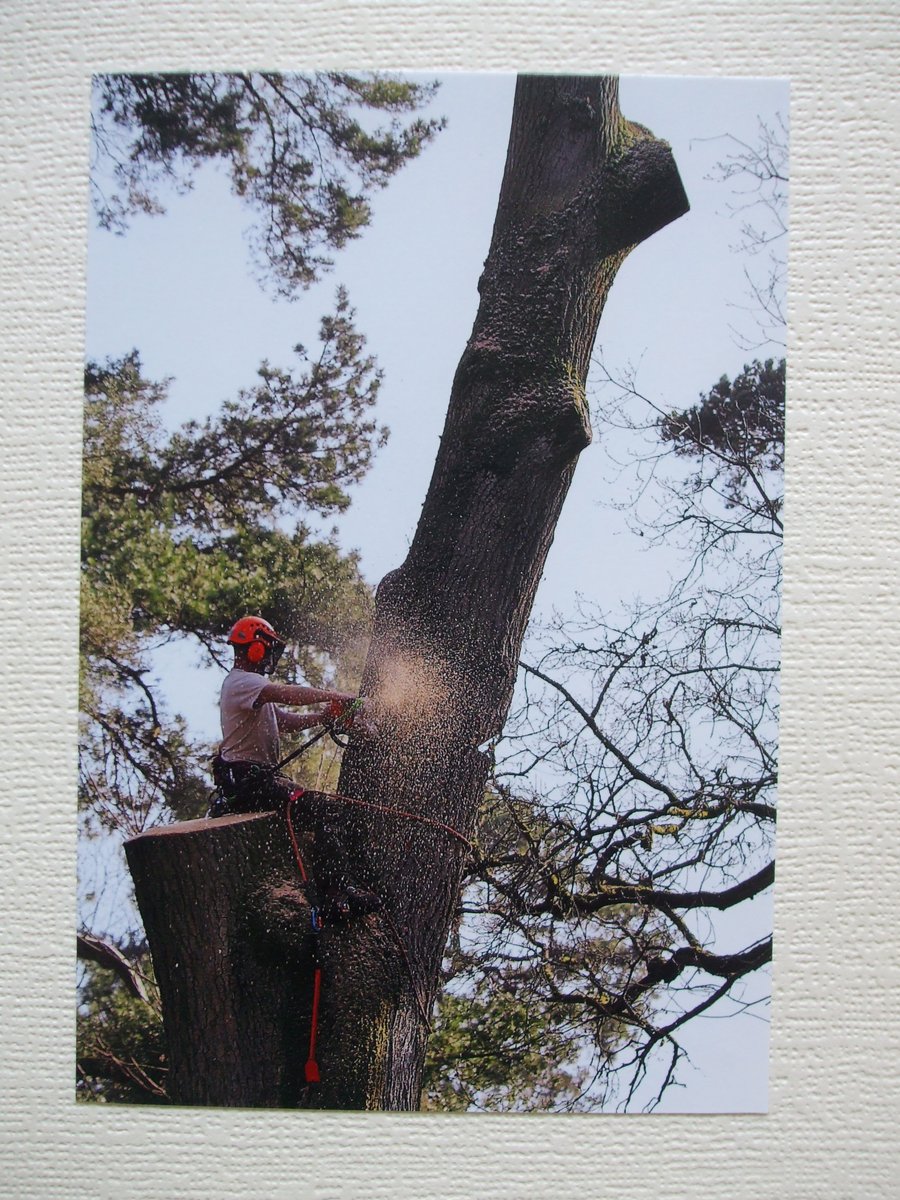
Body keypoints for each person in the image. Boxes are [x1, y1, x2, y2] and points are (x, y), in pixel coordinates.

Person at [212, 614, 355, 816]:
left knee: (320, 809)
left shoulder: (251, 687)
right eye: (268, 650)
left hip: (258, 780)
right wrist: (334, 696)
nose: (269, 657)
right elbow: (288, 694)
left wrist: (322, 717)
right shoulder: (242, 681)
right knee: (326, 810)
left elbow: (284, 722)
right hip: (248, 781)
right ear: (256, 648)